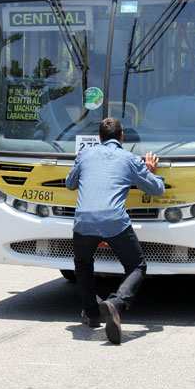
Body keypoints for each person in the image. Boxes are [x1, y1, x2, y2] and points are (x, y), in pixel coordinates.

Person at [65, 117, 164, 345]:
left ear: (99, 138)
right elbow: (156, 189)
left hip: (83, 221)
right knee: (137, 265)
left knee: (83, 264)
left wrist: (79, 165)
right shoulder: (129, 159)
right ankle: (116, 303)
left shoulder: (86, 155)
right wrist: (150, 170)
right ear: (122, 137)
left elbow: (70, 184)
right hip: (114, 220)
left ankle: (91, 313)